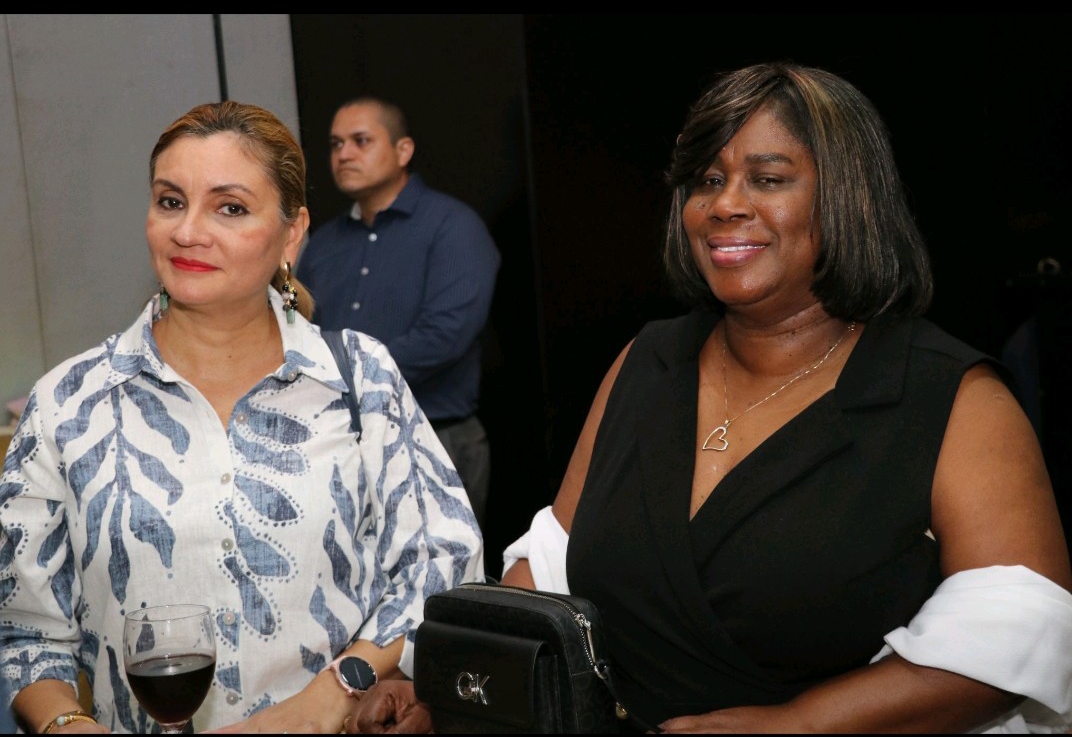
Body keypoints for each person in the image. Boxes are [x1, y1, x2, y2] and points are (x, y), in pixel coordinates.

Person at [351, 62, 1072, 734]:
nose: (725, 204)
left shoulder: (949, 396)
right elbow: (549, 567)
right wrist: (444, 682)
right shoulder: (649, 359)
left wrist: (799, 725)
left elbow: (1016, 631)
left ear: (848, 196)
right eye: (707, 180)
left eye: (768, 178)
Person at [0, 100, 484, 734]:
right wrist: (67, 724)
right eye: (171, 201)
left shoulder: (358, 379)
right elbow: (26, 631)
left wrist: (335, 692)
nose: (188, 231)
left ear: (291, 233)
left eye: (229, 208)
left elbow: (443, 563)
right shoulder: (69, 403)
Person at [295, 96, 501, 532]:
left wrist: (345, 377)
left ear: (403, 150)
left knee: (441, 574)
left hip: (434, 437)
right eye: (335, 144)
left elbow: (445, 336)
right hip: (338, 439)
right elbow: (299, 333)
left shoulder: (452, 225)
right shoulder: (324, 243)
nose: (344, 154)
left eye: (360, 141)